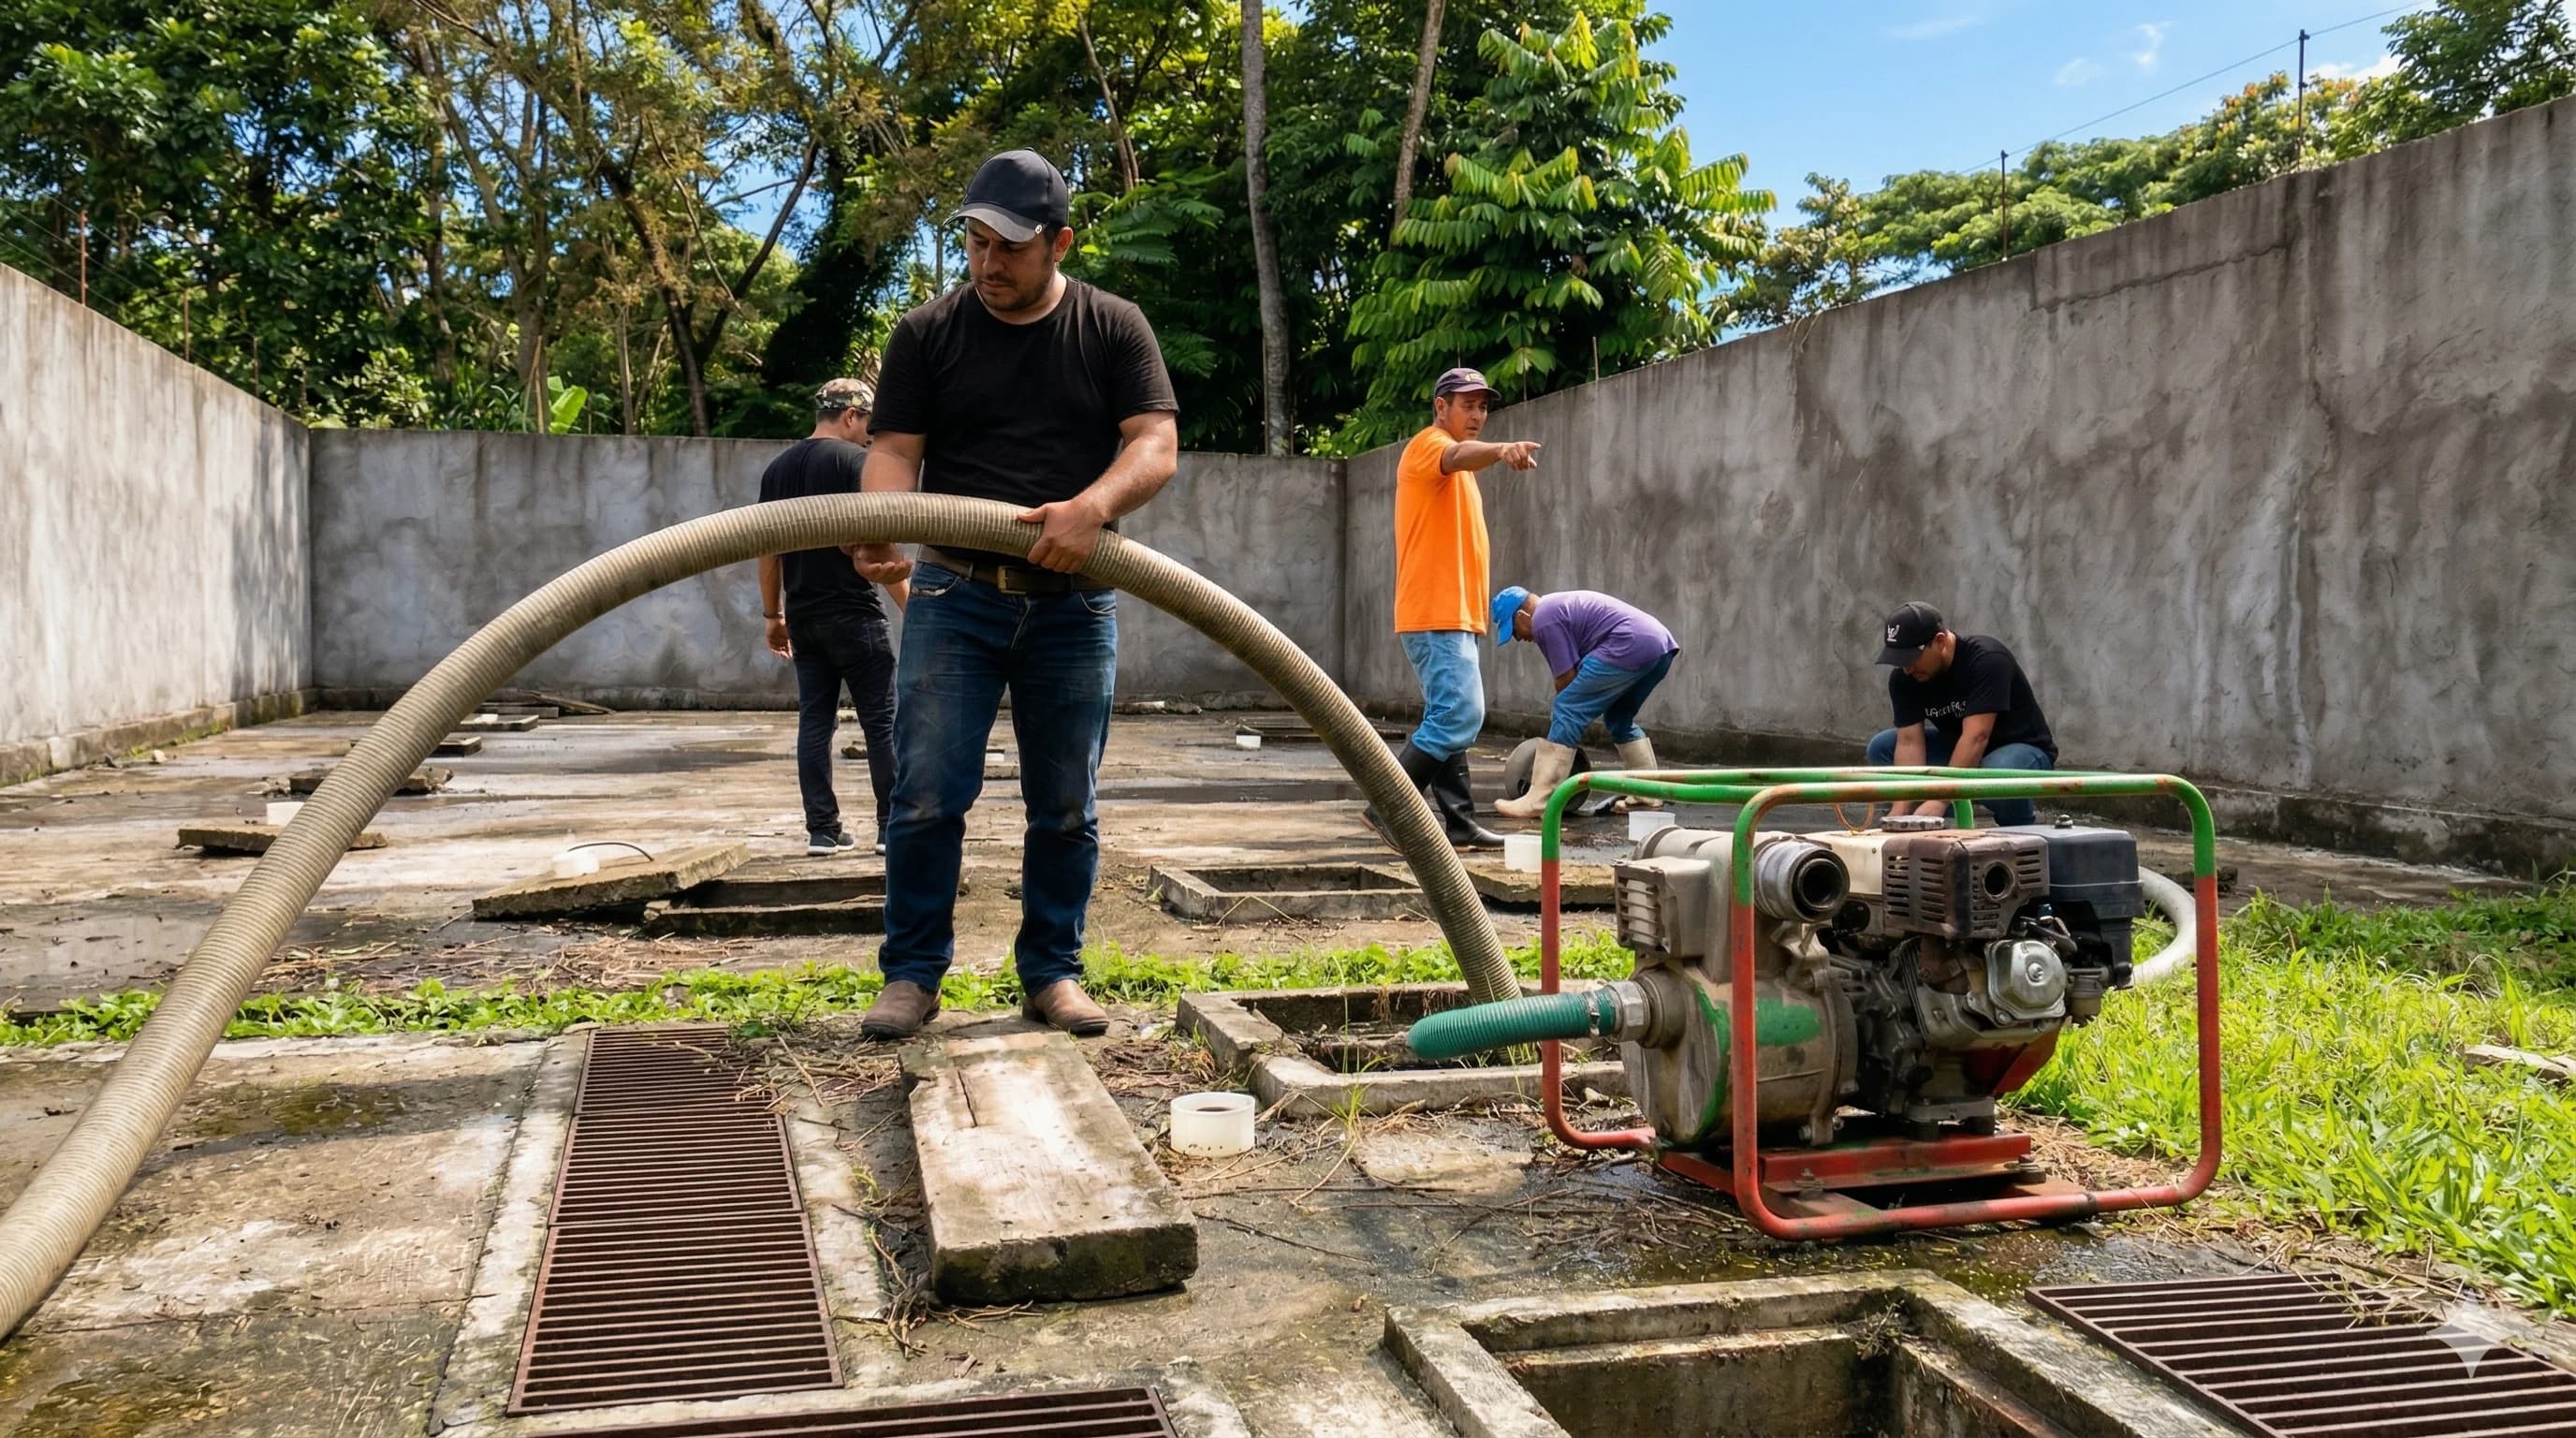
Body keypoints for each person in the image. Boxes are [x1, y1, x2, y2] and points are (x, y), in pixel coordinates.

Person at [846, 149, 1179, 1041]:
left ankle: (1052, 973)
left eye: (1009, 247)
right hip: (955, 594)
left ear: (1059, 243)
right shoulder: (927, 333)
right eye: (974, 241)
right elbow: (894, 451)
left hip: (1074, 605)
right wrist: (875, 524)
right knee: (925, 794)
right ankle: (912, 975)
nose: (988, 263)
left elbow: (1154, 443)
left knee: (1066, 803)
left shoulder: (1113, 328)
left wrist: (1094, 508)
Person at [1364, 367, 1543, 852]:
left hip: (1453, 614)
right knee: (1461, 714)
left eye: (1484, 406)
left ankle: (1459, 823)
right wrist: (1502, 450)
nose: (1478, 415)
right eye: (1468, 404)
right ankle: (1388, 809)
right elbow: (1457, 453)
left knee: (1449, 717)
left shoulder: (1461, 476)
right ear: (1441, 407)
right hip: (1435, 612)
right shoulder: (1429, 444)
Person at [756, 378, 905, 856]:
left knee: (815, 722)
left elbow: (765, 550)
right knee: (881, 721)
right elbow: (881, 548)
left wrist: (772, 615)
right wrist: (917, 611)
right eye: (868, 425)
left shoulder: (777, 470)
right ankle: (890, 828)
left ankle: (822, 831)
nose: (869, 436)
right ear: (850, 416)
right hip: (855, 613)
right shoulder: (855, 463)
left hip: (803, 615)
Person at [1487, 586, 1680, 819]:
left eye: (1515, 631)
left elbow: (1566, 679)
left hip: (1629, 644)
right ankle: (1646, 795)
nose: (1520, 639)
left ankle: (1539, 799)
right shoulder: (1555, 608)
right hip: (1659, 647)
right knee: (1619, 720)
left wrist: (1560, 730)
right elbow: (1573, 675)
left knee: (1567, 707)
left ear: (1522, 616)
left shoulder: (1543, 619)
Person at [1866, 601, 2057, 827]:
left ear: (1939, 641)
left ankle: (2020, 827)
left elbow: (1977, 737)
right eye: (1900, 660)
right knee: (1883, 747)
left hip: (2022, 750)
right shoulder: (1904, 678)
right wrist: (1899, 813)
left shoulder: (1987, 660)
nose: (1907, 668)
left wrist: (1940, 799)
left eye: (1911, 658)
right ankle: (1938, 820)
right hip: (1961, 746)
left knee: (1995, 772)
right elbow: (1909, 743)